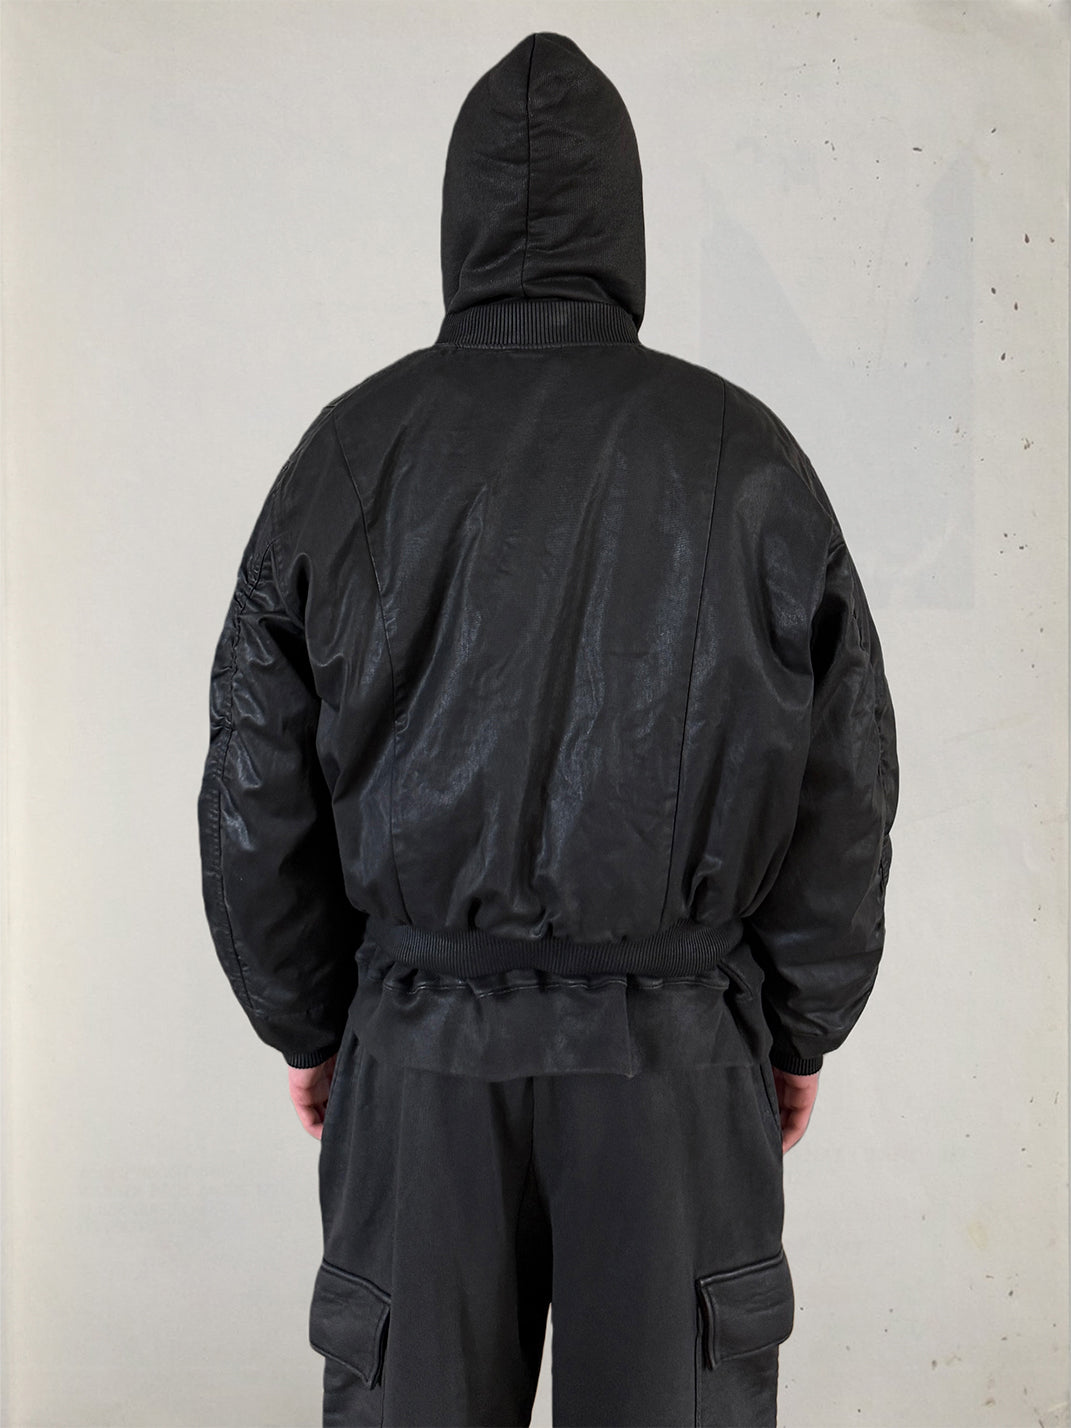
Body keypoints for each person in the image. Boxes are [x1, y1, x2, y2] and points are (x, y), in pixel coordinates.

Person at [196, 30, 898, 1428]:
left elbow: (253, 777)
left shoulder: (351, 453)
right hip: (678, 1062)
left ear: (458, 222)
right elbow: (846, 782)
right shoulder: (741, 456)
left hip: (421, 1058)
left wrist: (310, 1021)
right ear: (624, 222)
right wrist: (798, 1028)